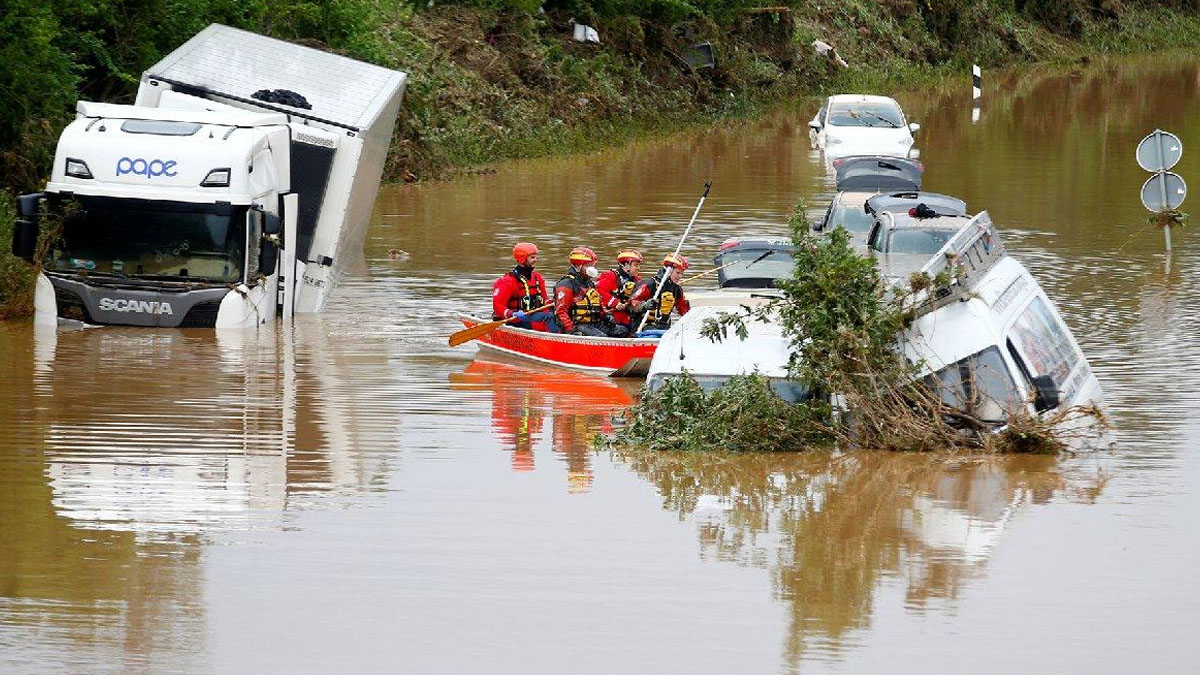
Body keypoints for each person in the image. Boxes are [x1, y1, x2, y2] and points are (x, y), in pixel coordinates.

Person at [551, 246, 628, 337]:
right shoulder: (566, 284)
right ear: (578, 266)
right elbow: (561, 311)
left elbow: (598, 302)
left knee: (622, 331)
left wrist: (606, 314)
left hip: (594, 323)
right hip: (578, 325)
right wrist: (571, 330)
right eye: (588, 266)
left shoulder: (589, 283)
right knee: (601, 337)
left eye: (592, 265)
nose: (592, 269)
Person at [492, 242, 550, 331]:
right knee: (549, 318)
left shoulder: (537, 278)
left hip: (533, 318)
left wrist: (552, 304)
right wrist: (511, 314)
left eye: (535, 257)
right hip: (515, 321)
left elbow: (544, 299)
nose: (535, 260)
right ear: (522, 259)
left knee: (556, 316)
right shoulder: (507, 281)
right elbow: (498, 305)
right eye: (532, 257)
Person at [630, 252, 691, 331]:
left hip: (664, 327)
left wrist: (688, 310)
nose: (680, 277)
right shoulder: (649, 283)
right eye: (678, 273)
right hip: (642, 326)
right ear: (668, 271)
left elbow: (683, 310)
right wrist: (645, 305)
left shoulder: (677, 289)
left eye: (682, 273)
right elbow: (631, 303)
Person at [594, 248, 642, 330]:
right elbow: (598, 291)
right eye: (636, 265)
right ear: (626, 264)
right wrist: (615, 303)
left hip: (629, 319)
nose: (639, 268)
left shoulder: (637, 280)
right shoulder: (610, 276)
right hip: (610, 319)